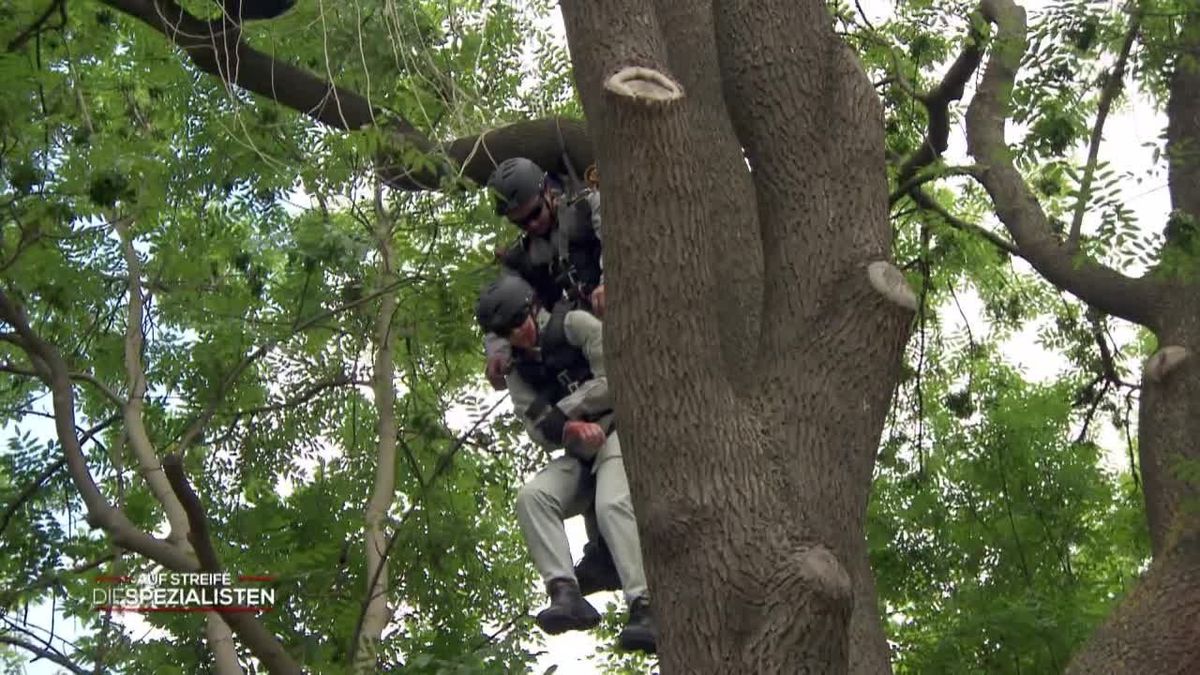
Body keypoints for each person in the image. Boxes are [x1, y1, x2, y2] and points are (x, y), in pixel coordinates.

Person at [475, 274, 656, 654]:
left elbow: (616, 379)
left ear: (532, 309)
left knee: (611, 504)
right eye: (506, 332)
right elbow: (537, 430)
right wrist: (568, 430)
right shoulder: (520, 373)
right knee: (532, 497)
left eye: (518, 322)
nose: (517, 334)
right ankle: (565, 592)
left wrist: (564, 414)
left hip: (621, 432)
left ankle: (644, 605)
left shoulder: (574, 325)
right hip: (579, 452)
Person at [483, 157, 621, 597]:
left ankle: (608, 549)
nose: (534, 225)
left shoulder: (586, 208)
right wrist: (499, 354)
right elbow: (501, 312)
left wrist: (609, 280)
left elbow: (617, 236)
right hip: (583, 351)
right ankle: (602, 551)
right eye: (522, 222)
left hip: (617, 327)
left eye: (537, 215)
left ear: (549, 192)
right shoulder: (522, 260)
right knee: (588, 441)